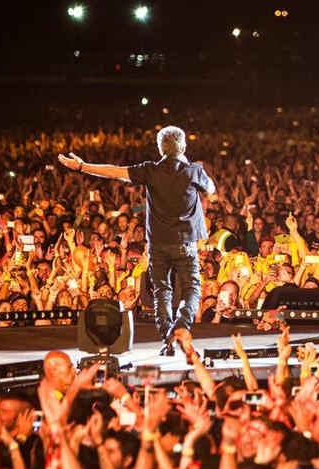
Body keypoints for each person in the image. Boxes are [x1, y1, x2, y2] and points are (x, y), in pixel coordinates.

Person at [58, 125, 215, 355]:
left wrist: (82, 166)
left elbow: (114, 171)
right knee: (192, 287)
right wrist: (185, 161)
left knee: (162, 291)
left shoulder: (150, 170)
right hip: (184, 242)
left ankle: (167, 339)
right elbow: (211, 189)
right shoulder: (193, 171)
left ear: (160, 149)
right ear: (182, 146)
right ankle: (180, 325)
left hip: (158, 245)